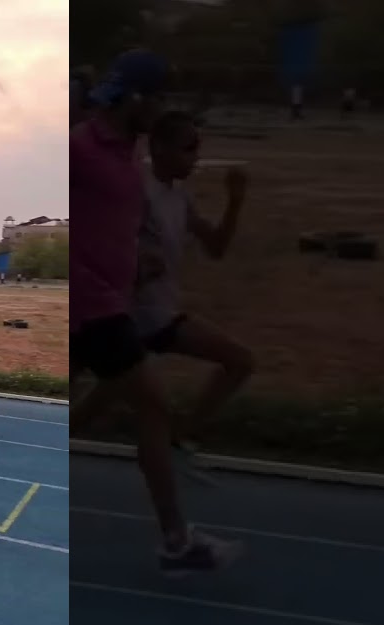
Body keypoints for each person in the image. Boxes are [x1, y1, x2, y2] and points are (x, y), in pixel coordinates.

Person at [72, 49, 241, 576]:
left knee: (121, 410)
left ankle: (175, 539)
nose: (163, 107)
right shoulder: (79, 148)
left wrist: (135, 260)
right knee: (152, 406)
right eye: (159, 96)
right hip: (90, 305)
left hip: (110, 304)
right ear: (137, 98)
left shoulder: (126, 155)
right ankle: (175, 541)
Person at [73, 110, 255, 485]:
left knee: (237, 362)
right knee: (235, 362)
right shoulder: (136, 190)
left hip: (156, 315)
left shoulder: (179, 198)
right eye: (188, 149)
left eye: (197, 149)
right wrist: (138, 264)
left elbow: (216, 248)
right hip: (131, 317)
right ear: (158, 148)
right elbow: (104, 238)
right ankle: (172, 446)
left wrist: (235, 200)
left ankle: (175, 441)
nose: (195, 158)